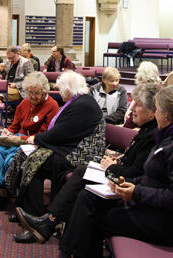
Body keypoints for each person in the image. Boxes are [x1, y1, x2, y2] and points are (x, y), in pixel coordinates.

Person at [58, 86, 173, 256]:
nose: (155, 113)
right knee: (88, 198)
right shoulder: (171, 138)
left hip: (166, 223)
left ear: (166, 115)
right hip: (152, 209)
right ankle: (67, 252)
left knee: (93, 215)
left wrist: (136, 192)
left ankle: (67, 252)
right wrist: (127, 183)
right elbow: (153, 179)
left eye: (157, 109)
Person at [16, 83, 160, 243]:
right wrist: (116, 162)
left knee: (74, 176)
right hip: (111, 171)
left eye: (137, 105)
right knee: (59, 168)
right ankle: (47, 221)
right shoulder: (146, 131)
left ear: (153, 112)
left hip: (122, 182)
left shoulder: (152, 136)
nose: (131, 110)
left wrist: (112, 167)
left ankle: (49, 222)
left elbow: (135, 172)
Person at [8, 71, 103, 243]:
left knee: (36, 163)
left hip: (79, 154)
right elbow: (63, 133)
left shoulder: (83, 105)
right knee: (31, 158)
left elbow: (61, 133)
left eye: (61, 90)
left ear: (68, 90)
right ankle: (29, 211)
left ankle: (37, 219)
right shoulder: (79, 102)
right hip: (70, 148)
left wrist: (37, 139)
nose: (60, 93)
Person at [0, 72, 58, 212]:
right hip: (17, 138)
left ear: (45, 91)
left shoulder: (52, 105)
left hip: (32, 143)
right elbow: (15, 125)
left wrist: (19, 138)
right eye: (30, 92)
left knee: (4, 154)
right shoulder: (25, 102)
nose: (32, 96)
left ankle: (2, 194)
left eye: (37, 93)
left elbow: (45, 134)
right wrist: (8, 132)